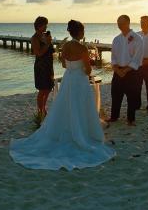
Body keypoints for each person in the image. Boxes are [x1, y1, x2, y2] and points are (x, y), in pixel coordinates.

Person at [9, 20, 115, 170]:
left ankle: (67, 129)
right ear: (80, 32)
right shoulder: (82, 48)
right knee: (80, 106)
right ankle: (81, 133)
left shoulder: (65, 46)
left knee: (66, 105)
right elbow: (88, 70)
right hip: (79, 80)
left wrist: (74, 66)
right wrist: (86, 66)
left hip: (68, 79)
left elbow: (64, 65)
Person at [106, 15, 143, 126]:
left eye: (121, 23)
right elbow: (113, 58)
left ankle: (131, 119)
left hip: (132, 72)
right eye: (118, 23)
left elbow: (137, 58)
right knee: (116, 94)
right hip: (118, 71)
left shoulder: (137, 38)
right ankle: (114, 116)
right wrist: (117, 69)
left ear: (128, 23)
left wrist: (126, 70)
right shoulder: (116, 39)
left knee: (132, 96)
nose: (119, 25)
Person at [31, 16, 55, 121]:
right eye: (45, 24)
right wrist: (48, 43)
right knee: (42, 89)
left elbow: (51, 50)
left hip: (49, 64)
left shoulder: (45, 36)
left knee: (49, 87)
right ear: (39, 26)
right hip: (41, 66)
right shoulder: (35, 38)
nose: (46, 26)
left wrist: (51, 44)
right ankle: (41, 110)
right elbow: (38, 53)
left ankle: (43, 107)